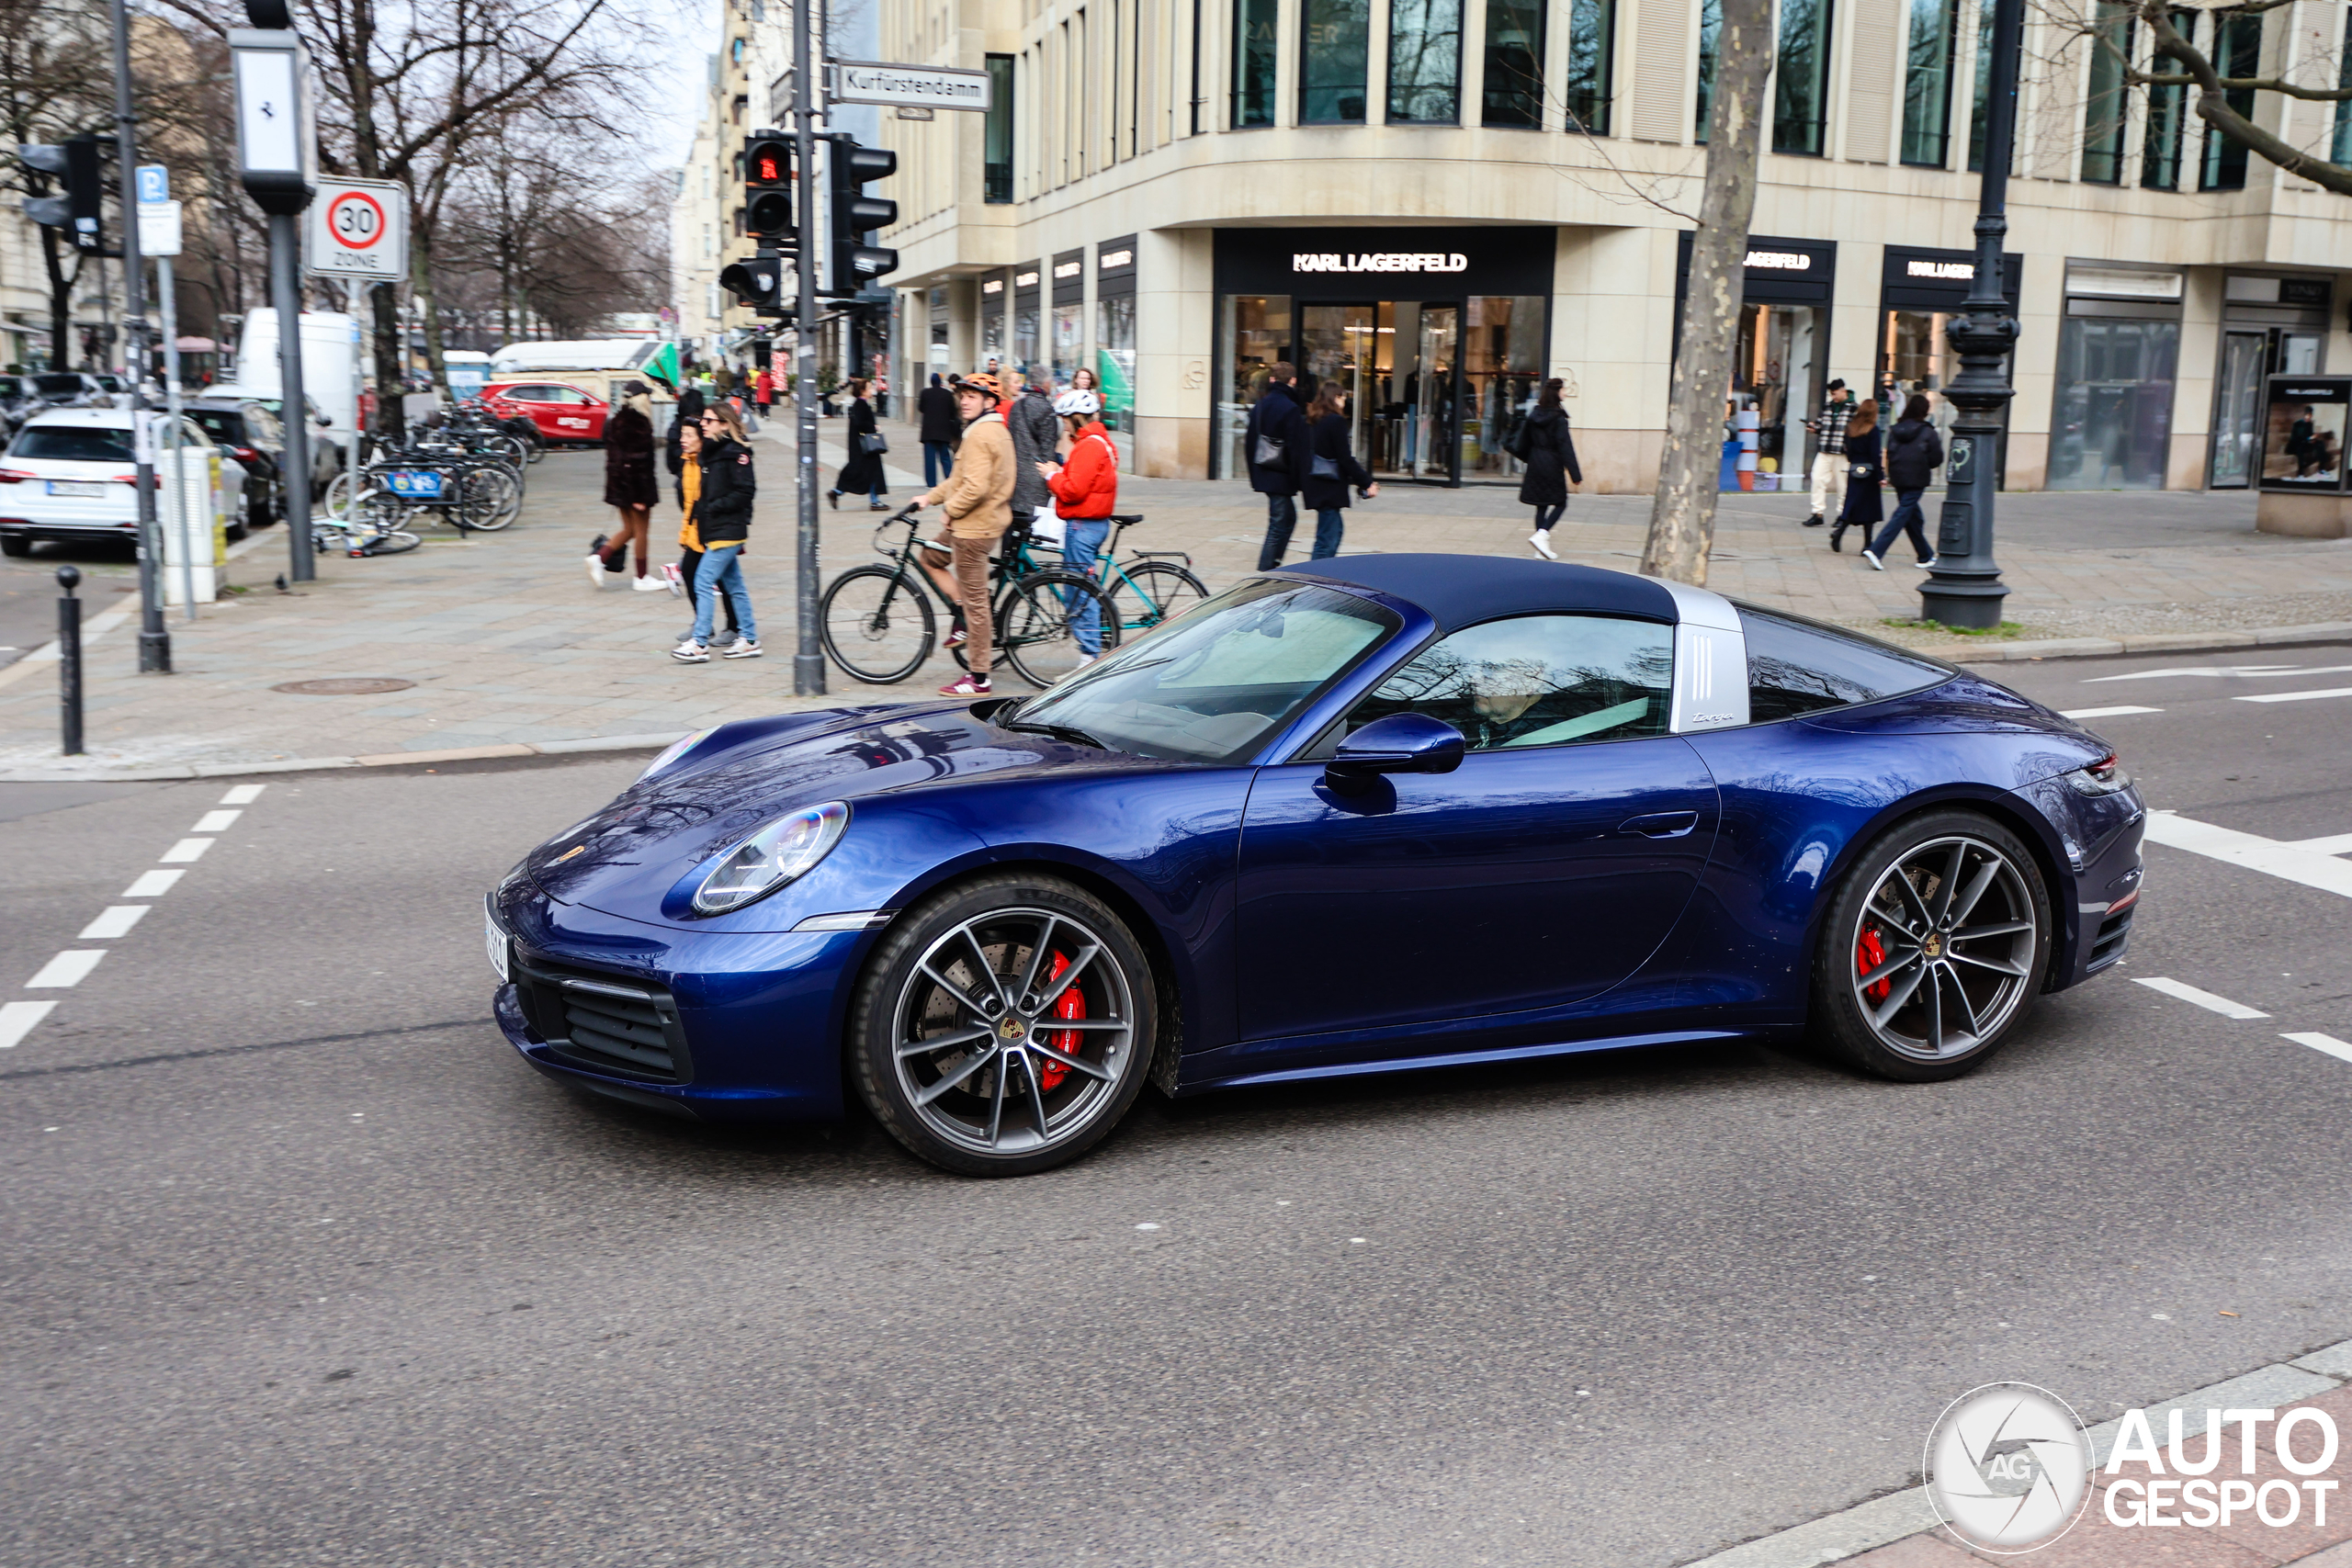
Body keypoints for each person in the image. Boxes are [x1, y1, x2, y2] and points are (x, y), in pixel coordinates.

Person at [913, 372, 1016, 696]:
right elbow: (960, 480)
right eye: (963, 395)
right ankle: (962, 614)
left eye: (973, 396)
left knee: (977, 604)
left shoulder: (981, 436)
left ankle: (979, 678)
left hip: (974, 529)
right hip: (974, 523)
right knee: (930, 555)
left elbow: (975, 488)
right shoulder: (987, 430)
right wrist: (929, 497)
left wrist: (950, 509)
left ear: (989, 402)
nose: (965, 401)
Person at [672, 403, 761, 662]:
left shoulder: (736, 453)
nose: (703, 425)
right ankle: (750, 639)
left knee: (702, 580)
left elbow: (746, 492)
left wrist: (713, 508)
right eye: (703, 422)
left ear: (724, 423)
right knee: (735, 585)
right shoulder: (713, 452)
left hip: (728, 528)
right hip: (715, 528)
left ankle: (699, 643)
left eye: (708, 421)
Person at [1038, 388, 1116, 667]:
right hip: (1090, 523)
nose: (1064, 424)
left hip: (1083, 526)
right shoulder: (1097, 441)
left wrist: (1051, 477)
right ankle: (1090, 648)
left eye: (1065, 419)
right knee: (1081, 587)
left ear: (1075, 418)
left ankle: (1090, 656)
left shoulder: (1089, 445)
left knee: (1081, 591)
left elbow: (1073, 491)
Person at [587, 380, 662, 592]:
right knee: (641, 531)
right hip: (636, 486)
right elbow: (635, 462)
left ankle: (599, 558)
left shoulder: (616, 420)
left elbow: (618, 460)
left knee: (629, 529)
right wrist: (638, 495)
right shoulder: (639, 423)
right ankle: (641, 577)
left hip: (618, 484)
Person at [1296, 380, 1378, 559]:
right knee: (1327, 540)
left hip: (1314, 482)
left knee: (1333, 532)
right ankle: (1316, 578)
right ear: (1335, 397)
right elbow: (1345, 458)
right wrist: (1367, 482)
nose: (1344, 402)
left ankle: (1320, 575)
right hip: (1328, 484)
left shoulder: (1309, 420)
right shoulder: (1335, 421)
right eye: (1342, 397)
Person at [1245, 363, 1310, 570]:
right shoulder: (1290, 408)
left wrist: (1254, 474)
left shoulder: (1261, 405)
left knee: (1287, 518)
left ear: (1272, 380)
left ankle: (1274, 563)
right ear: (1293, 381)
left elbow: (1250, 442)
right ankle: (1265, 569)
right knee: (1279, 523)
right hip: (1281, 475)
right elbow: (1295, 448)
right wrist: (1298, 478)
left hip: (1264, 470)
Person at [1867, 393, 1944, 567]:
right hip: (1917, 477)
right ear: (1925, 411)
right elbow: (1936, 458)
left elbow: (1890, 452)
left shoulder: (1896, 429)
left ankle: (1925, 555)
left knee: (1913, 516)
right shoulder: (1928, 431)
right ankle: (1876, 550)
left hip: (1898, 475)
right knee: (1902, 514)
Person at [1513, 378, 1582, 560]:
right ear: (1556, 392)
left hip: (1536, 462)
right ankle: (1542, 535)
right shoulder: (1559, 418)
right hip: (1552, 463)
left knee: (1541, 505)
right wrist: (1575, 474)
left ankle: (1540, 548)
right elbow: (1565, 447)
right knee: (1561, 503)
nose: (1566, 392)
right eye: (1564, 390)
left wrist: (1531, 458)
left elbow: (1523, 441)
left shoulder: (1534, 414)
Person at [1003, 374, 1058, 537]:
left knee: (1013, 524)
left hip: (1015, 474)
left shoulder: (1016, 406)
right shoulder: (1046, 409)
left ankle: (1008, 560)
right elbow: (1048, 449)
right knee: (1031, 527)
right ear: (1046, 384)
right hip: (1036, 477)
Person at [1832, 400, 1884, 561]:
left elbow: (1847, 451)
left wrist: (1854, 462)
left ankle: (1840, 531)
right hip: (1869, 471)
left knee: (1853, 503)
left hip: (1855, 469)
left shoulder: (1851, 429)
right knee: (1869, 508)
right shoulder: (1873, 430)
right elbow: (1875, 455)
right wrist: (1880, 476)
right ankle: (1867, 544)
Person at [829, 378, 890, 511]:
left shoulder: (861, 404)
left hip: (862, 445)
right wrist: (873, 428)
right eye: (870, 388)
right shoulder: (860, 405)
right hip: (864, 446)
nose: (872, 390)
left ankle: (838, 492)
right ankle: (872, 501)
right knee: (867, 471)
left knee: (866, 471)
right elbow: (860, 423)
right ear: (863, 391)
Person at [1805, 378, 1857, 527]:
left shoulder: (1854, 408)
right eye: (1831, 394)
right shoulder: (1828, 406)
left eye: (1835, 394)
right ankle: (1817, 512)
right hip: (1825, 449)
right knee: (1817, 479)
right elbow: (1821, 423)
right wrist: (1815, 427)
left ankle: (1843, 515)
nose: (1833, 397)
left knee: (1843, 485)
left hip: (1842, 452)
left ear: (1843, 391)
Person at [917, 373, 959, 487]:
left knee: (929, 459)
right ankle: (950, 479)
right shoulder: (947, 394)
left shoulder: (925, 393)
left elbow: (921, 408)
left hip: (928, 432)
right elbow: (953, 412)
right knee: (945, 457)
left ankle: (931, 482)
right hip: (943, 431)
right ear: (940, 382)